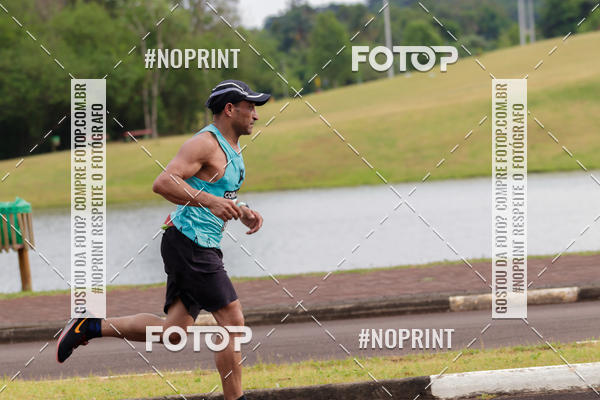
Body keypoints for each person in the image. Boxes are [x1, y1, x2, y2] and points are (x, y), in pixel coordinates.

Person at [57, 79, 270, 400]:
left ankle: (91, 325)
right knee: (233, 321)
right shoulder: (205, 144)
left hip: (195, 244)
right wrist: (210, 203)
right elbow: (164, 182)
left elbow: (216, 192)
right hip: (190, 243)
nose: (255, 114)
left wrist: (241, 211)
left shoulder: (232, 149)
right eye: (250, 107)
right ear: (229, 109)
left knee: (173, 332)